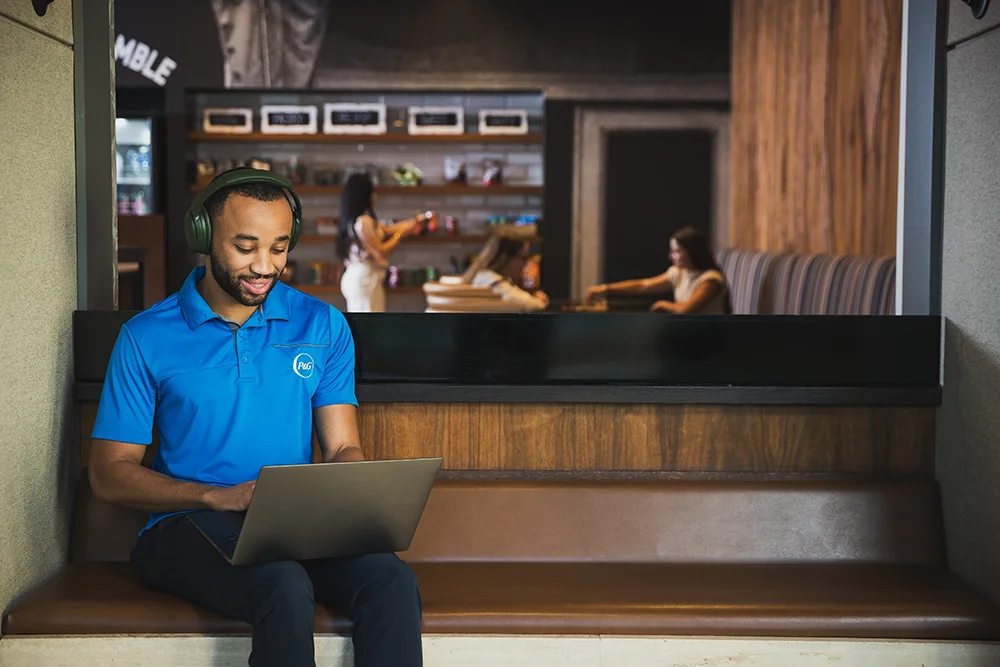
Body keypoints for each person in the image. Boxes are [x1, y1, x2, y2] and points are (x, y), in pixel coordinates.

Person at [88, 168, 423, 667]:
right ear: (203, 236)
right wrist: (217, 496)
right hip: (186, 526)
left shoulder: (322, 324)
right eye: (246, 247)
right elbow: (108, 474)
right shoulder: (145, 337)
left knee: (391, 579)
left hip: (291, 525)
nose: (265, 266)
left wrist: (347, 495)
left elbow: (341, 447)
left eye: (279, 247)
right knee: (282, 584)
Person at [337, 172, 430, 312]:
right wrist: (401, 235)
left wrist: (415, 222)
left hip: (358, 277)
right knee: (370, 328)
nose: (375, 195)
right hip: (365, 279)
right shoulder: (364, 221)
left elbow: (389, 229)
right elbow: (381, 252)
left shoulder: (357, 219)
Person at [585, 226, 731, 314]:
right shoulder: (679, 273)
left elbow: (687, 310)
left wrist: (663, 304)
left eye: (676, 251)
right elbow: (642, 286)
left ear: (692, 252)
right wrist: (604, 289)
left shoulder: (710, 280)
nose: (671, 256)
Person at [466, 237, 549, 312]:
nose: (525, 264)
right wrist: (539, 301)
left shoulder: (484, 276)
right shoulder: (494, 282)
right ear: (504, 258)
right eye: (523, 258)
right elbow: (529, 304)